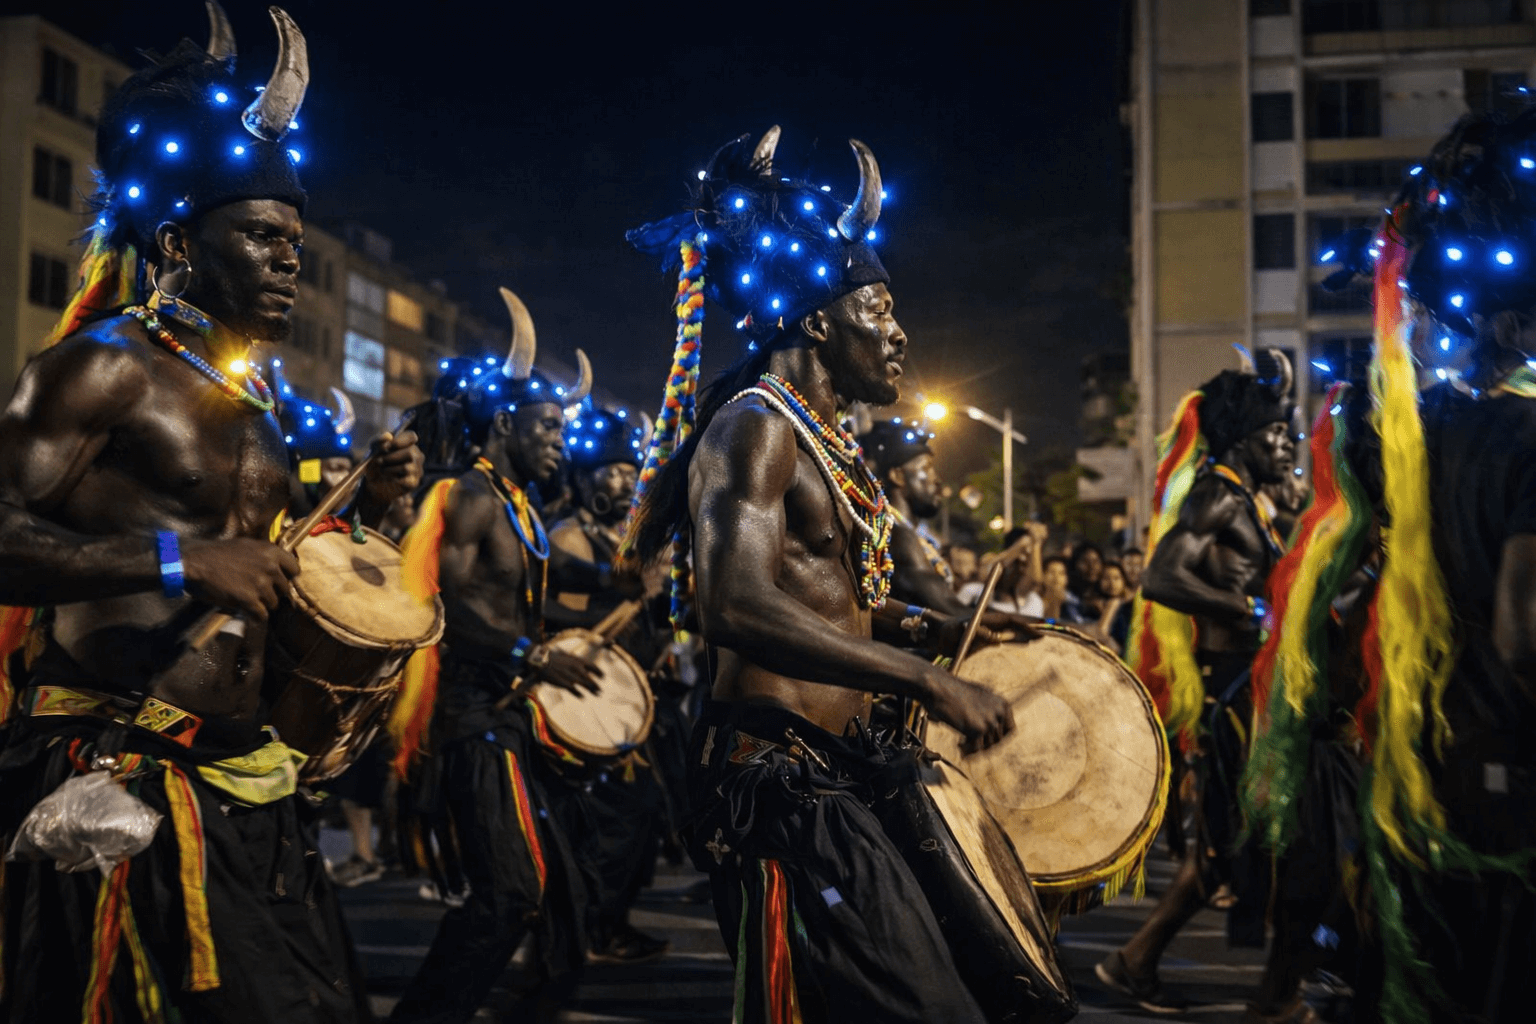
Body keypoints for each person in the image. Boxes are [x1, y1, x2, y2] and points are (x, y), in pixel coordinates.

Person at [0, 9, 423, 1021]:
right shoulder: (100, 367)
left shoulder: (261, 410)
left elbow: (260, 570)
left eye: (296, 241)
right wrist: (180, 562)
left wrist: (371, 516)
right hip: (127, 781)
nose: (291, 262)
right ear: (183, 240)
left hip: (249, 781)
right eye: (265, 237)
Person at [622, 127, 1013, 1022]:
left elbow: (827, 596)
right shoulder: (755, 427)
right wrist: (923, 680)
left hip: (842, 769)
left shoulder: (822, 442)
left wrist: (928, 629)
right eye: (879, 311)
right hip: (780, 785)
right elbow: (732, 601)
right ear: (816, 321)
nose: (899, 332)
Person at [1299, 106, 1536, 1024]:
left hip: (1419, 757)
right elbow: (1525, 637)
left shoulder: (1417, 436)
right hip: (1509, 780)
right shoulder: (1524, 437)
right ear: (1516, 319)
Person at [383, 289, 612, 1024]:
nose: (560, 442)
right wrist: (530, 654)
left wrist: (623, 575)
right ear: (506, 423)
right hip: (470, 722)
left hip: (509, 719)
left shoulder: (520, 506)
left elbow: (545, 575)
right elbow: (436, 611)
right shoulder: (469, 496)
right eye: (549, 426)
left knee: (566, 898)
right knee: (511, 895)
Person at [1098, 347, 1296, 1013]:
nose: (1285, 445)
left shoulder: (1246, 500)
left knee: (1228, 846)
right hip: (1229, 691)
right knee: (1235, 841)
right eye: (1274, 434)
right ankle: (1139, 963)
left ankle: (1140, 962)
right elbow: (1160, 575)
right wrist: (1250, 609)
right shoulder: (1218, 495)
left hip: (1244, 685)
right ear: (1244, 439)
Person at [545, 405, 672, 964]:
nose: (625, 480)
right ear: (580, 477)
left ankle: (606, 921)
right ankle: (595, 927)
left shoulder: (625, 538)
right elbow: (565, 624)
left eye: (630, 468)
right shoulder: (569, 537)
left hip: (634, 698)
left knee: (644, 820)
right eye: (611, 470)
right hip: (588, 696)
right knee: (616, 821)